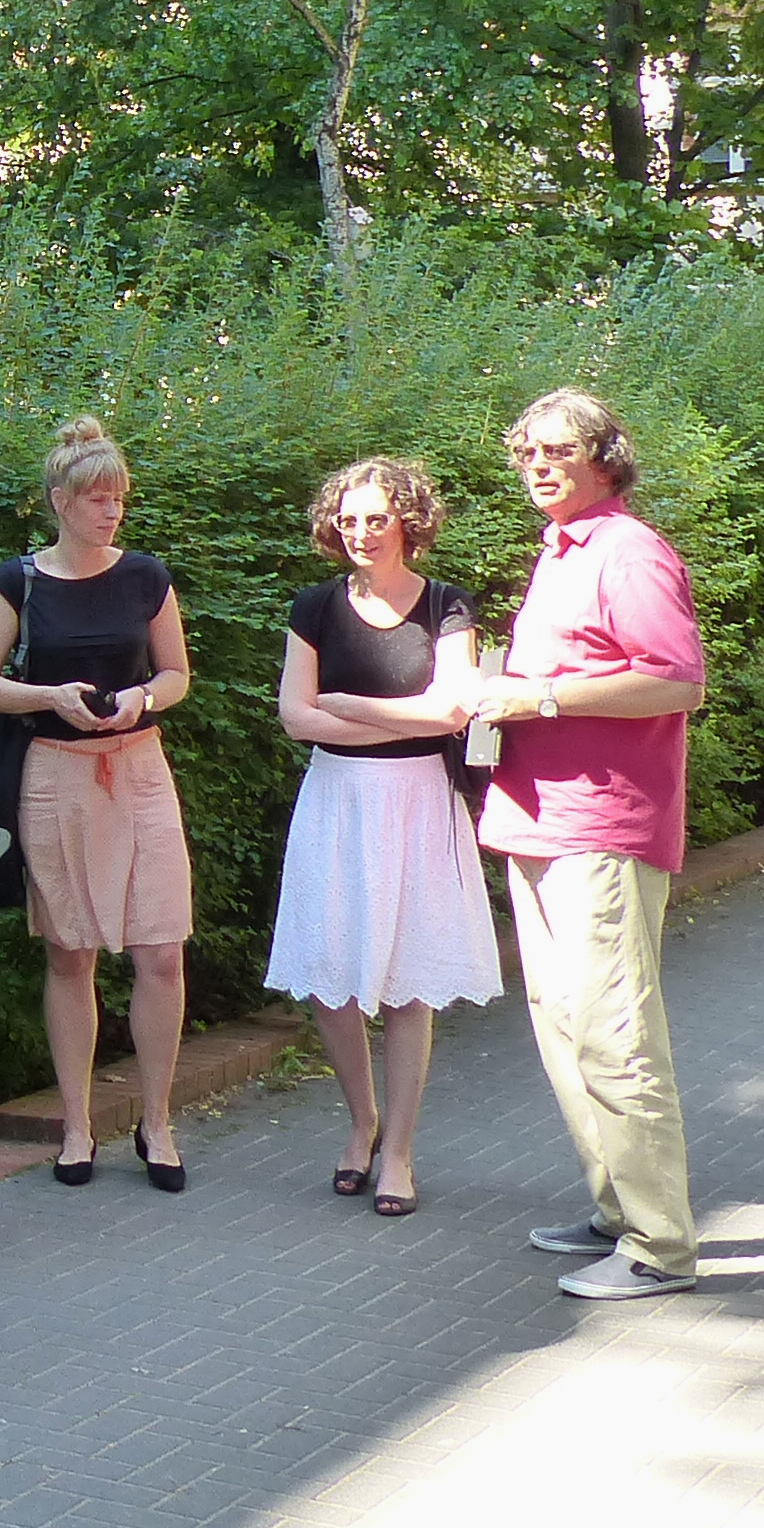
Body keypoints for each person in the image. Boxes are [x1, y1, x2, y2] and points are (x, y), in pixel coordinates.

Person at [482, 388, 708, 1303]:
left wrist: (537, 698)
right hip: (537, 819)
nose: (538, 466)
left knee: (615, 1032)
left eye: (557, 451)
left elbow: (675, 681)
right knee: (563, 1024)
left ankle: (660, 1248)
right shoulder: (561, 549)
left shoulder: (629, 550)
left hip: (603, 826)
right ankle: (616, 1211)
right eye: (526, 452)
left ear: (605, 459)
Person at [0, 415, 198, 1189]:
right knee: (69, 951)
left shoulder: (147, 576)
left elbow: (176, 675)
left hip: (139, 770)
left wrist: (142, 699)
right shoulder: (18, 580)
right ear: (60, 501)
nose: (112, 510)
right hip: (55, 774)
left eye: (118, 497)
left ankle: (156, 1124)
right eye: (97, 498)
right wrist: (48, 697)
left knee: (162, 951)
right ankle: (77, 1128)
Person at [267, 456, 502, 1220]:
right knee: (330, 978)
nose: (361, 532)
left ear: (408, 522)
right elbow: (295, 718)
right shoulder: (314, 606)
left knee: (408, 982)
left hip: (418, 803)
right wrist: (393, 718)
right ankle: (361, 1123)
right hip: (336, 801)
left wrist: (346, 705)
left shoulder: (445, 605)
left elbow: (452, 712)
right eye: (349, 520)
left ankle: (398, 1150)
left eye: (376, 518)